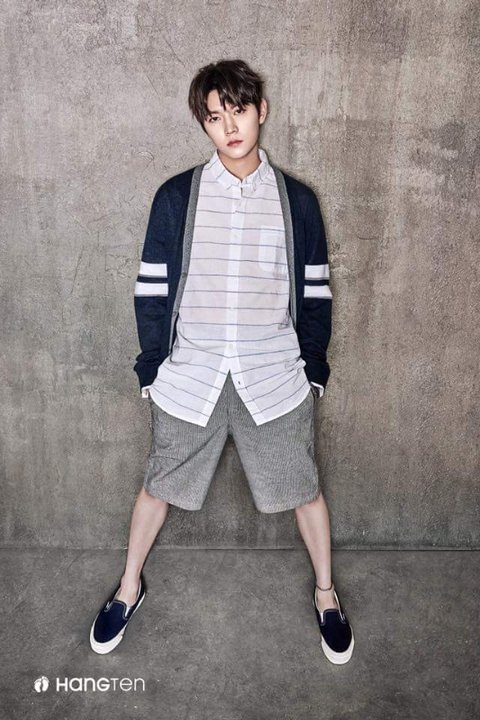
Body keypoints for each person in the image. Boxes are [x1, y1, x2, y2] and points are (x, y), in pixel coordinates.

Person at [90, 59, 354, 664]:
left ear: (261, 110)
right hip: (193, 372)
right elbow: (151, 286)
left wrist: (313, 369)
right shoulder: (177, 196)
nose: (229, 127)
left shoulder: (297, 202)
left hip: (274, 374)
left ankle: (326, 595)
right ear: (204, 125)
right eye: (214, 117)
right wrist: (153, 366)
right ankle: (129, 587)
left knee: (305, 489)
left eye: (239, 110)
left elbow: (315, 289)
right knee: (157, 484)